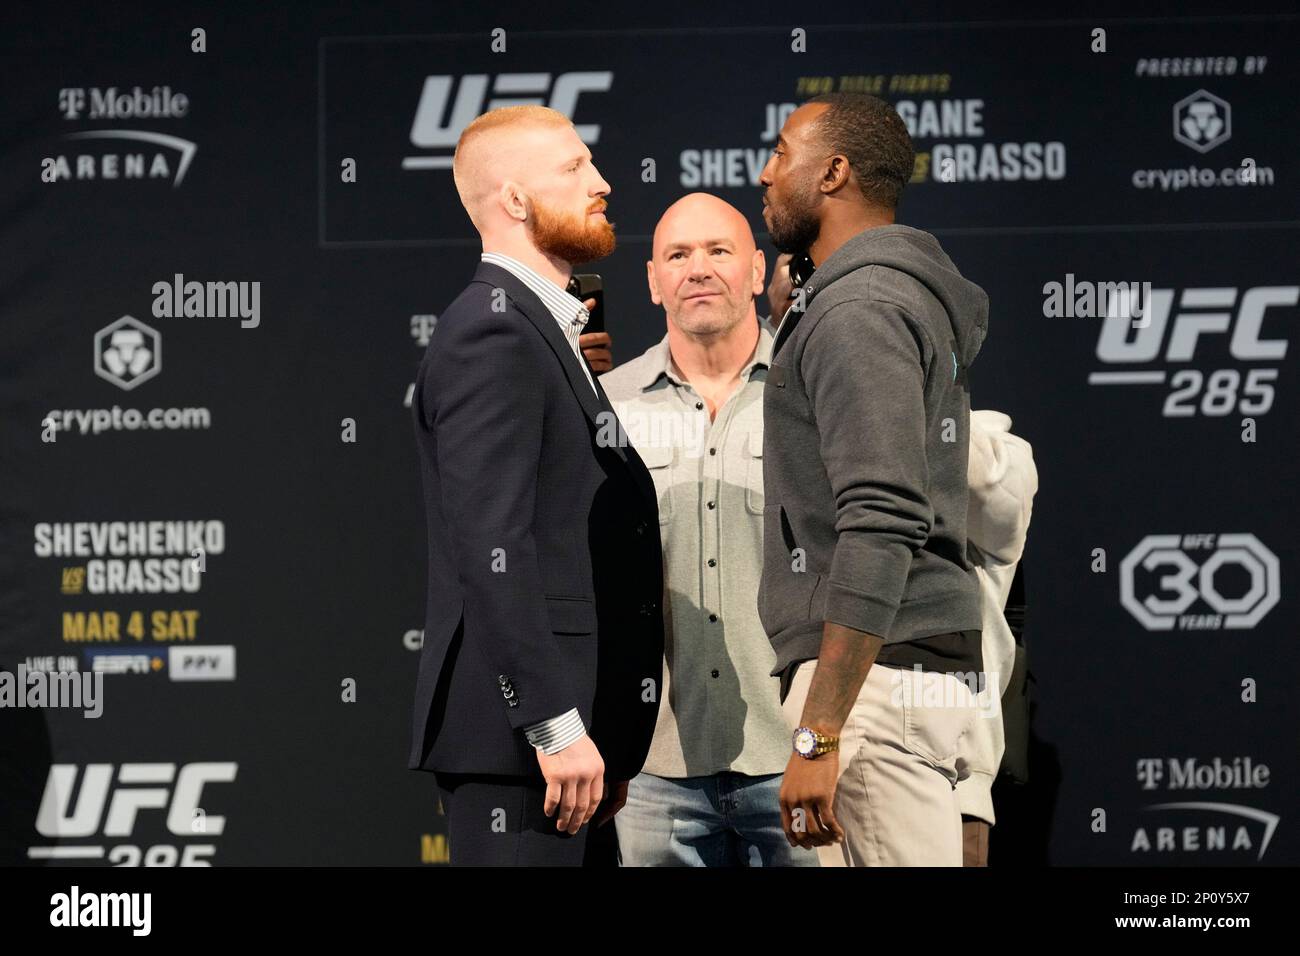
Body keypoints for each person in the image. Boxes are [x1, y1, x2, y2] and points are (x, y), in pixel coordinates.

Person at [407, 104, 664, 866]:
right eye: (574, 167)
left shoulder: (540, 329)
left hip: (567, 751)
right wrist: (554, 724)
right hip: (524, 751)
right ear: (516, 201)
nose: (604, 182)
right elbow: (492, 544)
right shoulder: (495, 330)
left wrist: (598, 735)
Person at [757, 92, 989, 866]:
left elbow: (882, 515)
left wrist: (821, 730)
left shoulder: (859, 307)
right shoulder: (866, 296)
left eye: (783, 152)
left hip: (872, 683)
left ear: (833, 172)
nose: (765, 172)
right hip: (888, 672)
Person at [766, 254, 1039, 866]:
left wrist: (848, 359)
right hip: (834, 719)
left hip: (909, 722)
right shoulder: (793, 414)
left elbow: (898, 497)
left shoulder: (994, 454)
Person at [599, 193, 817, 866]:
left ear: (757, 271)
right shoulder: (610, 406)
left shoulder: (813, 393)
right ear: (653, 280)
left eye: (719, 251)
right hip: (655, 768)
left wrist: (823, 741)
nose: (698, 269)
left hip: (797, 757)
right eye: (678, 255)